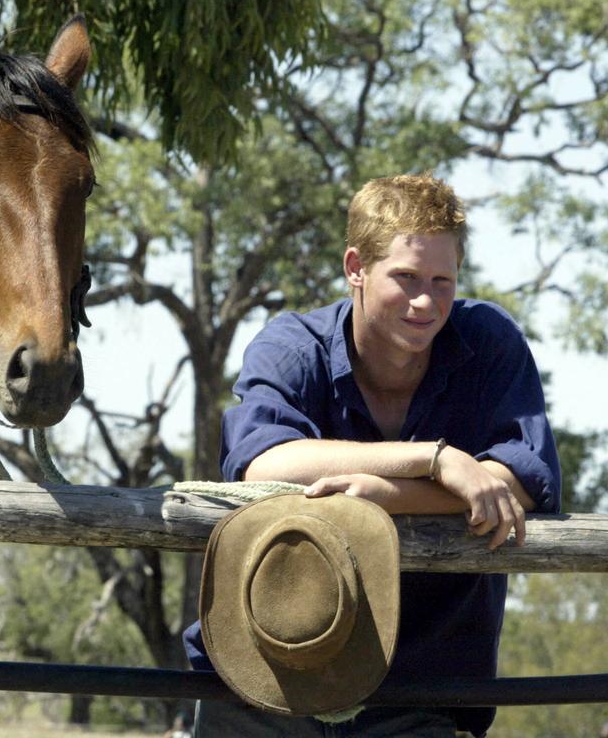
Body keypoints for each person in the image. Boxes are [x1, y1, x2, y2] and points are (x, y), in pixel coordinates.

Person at [183, 173, 561, 737]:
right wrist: (434, 461)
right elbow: (262, 461)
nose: (426, 300)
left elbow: (524, 479)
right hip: (265, 679)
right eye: (405, 277)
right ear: (355, 267)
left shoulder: (489, 340)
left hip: (423, 685)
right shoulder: (291, 346)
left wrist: (387, 495)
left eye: (442, 280)